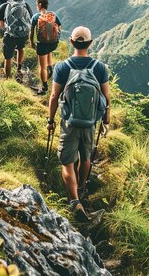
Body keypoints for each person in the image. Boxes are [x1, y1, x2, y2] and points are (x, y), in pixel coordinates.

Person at [47, 26, 110, 221]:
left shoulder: (62, 67)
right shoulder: (99, 68)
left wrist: (50, 121)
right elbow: (106, 98)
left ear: (72, 42)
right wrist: (106, 120)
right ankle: (81, 187)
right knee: (85, 156)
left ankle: (75, 202)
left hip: (69, 122)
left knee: (67, 162)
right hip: (90, 122)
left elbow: (54, 96)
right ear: (90, 44)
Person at [29, 0, 61, 95]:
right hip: (53, 43)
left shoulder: (36, 17)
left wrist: (31, 42)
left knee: (42, 67)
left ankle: (44, 88)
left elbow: (32, 32)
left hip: (42, 44)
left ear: (39, 5)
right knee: (49, 51)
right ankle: (50, 68)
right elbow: (59, 28)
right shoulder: (53, 15)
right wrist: (55, 38)